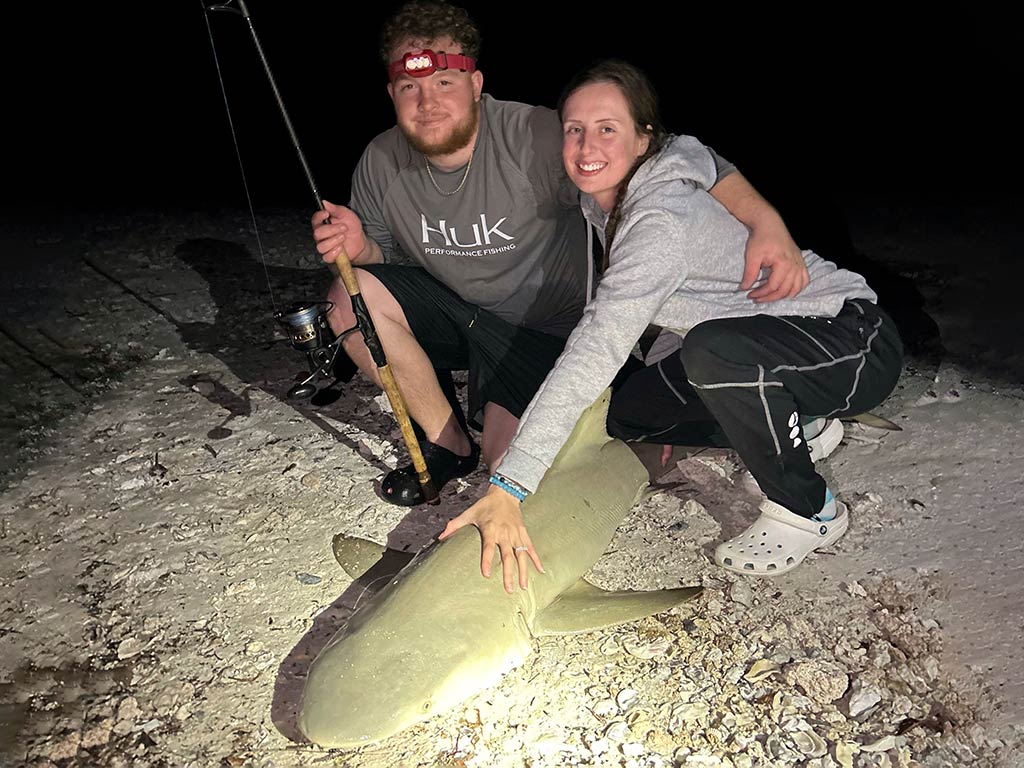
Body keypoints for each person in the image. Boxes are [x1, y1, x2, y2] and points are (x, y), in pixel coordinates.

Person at [312, 0, 810, 508]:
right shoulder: (379, 159)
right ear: (392, 94)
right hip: (465, 322)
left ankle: (774, 415)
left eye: (444, 82)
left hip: (550, 335)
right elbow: (387, 261)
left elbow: (671, 155)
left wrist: (765, 222)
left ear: (476, 85)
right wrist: (361, 247)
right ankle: (448, 444)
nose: (427, 101)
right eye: (409, 87)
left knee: (512, 474)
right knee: (346, 298)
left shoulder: (536, 136)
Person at [440, 59, 903, 590]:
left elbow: (597, 346)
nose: (588, 147)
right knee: (633, 411)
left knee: (712, 351)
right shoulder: (613, 194)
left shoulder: (658, 218)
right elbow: (700, 155)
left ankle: (810, 509)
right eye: (575, 130)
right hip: (768, 346)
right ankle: (804, 422)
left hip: (852, 339)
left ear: (643, 140)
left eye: (607, 129)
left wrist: (509, 486)